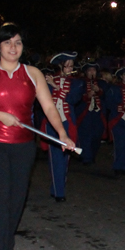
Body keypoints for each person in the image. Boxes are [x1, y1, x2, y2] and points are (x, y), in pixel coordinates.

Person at [0, 23, 75, 250]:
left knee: (17, 200)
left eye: (17, 42)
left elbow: (49, 107)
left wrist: (62, 133)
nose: (13, 48)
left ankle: (7, 247)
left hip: (24, 146)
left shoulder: (33, 73)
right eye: (7, 43)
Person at [44, 51, 83, 202]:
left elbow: (73, 99)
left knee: (65, 156)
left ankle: (58, 189)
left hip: (67, 122)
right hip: (52, 123)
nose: (68, 69)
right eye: (66, 66)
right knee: (54, 157)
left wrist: (55, 86)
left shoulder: (77, 83)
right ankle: (57, 190)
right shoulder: (50, 80)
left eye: (71, 66)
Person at [75, 62, 108, 165]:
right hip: (85, 113)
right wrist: (86, 96)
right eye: (89, 70)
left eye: (93, 70)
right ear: (86, 72)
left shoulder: (102, 83)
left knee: (96, 136)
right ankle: (86, 157)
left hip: (98, 113)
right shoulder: (80, 83)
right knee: (85, 135)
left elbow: (108, 96)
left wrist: (99, 91)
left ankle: (91, 155)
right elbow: (76, 97)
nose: (92, 72)